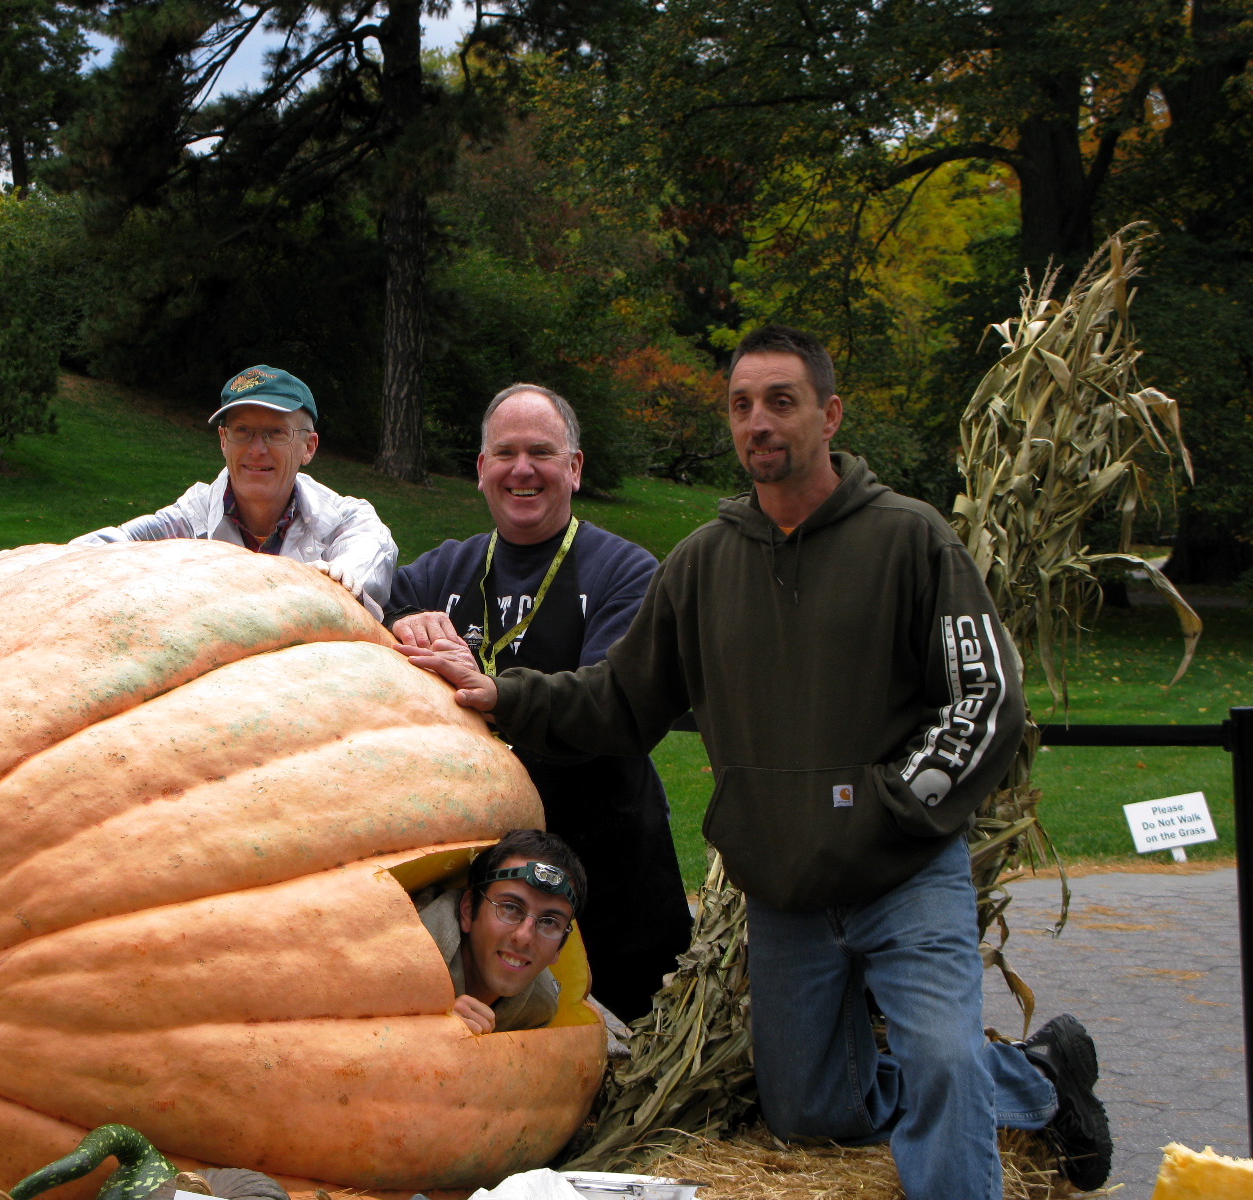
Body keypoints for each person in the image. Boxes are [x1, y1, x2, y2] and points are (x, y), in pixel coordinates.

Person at [398, 327, 1111, 1199]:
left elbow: (986, 697)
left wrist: (892, 809)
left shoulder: (909, 540)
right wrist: (500, 695)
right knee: (808, 1108)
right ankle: (1038, 1079)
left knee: (938, 1063)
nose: (759, 422)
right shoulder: (706, 563)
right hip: (787, 896)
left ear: (829, 414)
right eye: (742, 406)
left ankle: (966, 1113)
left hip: (906, 874)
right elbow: (617, 700)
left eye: (782, 400)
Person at [388, 383, 692, 1023]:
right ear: (480, 470)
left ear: (575, 468)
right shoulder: (439, 575)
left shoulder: (626, 573)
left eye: (542, 452)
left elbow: (610, 706)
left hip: (611, 880)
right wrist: (403, 622)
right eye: (505, 453)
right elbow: (366, 629)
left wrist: (494, 692)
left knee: (614, 1063)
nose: (522, 469)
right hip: (483, 888)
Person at [0, 365, 397, 615]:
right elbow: (108, 548)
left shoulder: (345, 520)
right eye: (243, 431)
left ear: (308, 446)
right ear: (223, 441)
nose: (257, 450)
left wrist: (335, 579)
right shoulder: (192, 516)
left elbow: (367, 559)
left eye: (275, 433)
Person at [416, 829, 587, 1034]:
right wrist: (426, 1029)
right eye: (510, 908)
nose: (524, 937)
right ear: (469, 910)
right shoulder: (405, 953)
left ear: (560, 948)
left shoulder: (538, 1009)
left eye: (549, 922)